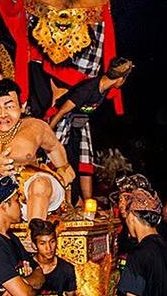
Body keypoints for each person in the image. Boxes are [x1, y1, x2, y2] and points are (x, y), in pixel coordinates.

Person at [0, 79, 76, 220]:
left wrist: (64, 169)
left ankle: (35, 236)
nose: (3, 114)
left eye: (9, 107)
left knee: (40, 184)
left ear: (22, 106)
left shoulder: (35, 127)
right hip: (1, 194)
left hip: (37, 187)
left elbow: (54, 148)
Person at [46, 57, 133, 200]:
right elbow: (61, 111)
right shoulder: (88, 89)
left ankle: (88, 203)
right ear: (120, 79)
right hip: (62, 119)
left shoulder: (103, 88)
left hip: (80, 122)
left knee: (85, 161)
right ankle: (59, 201)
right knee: (56, 159)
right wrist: (46, 134)